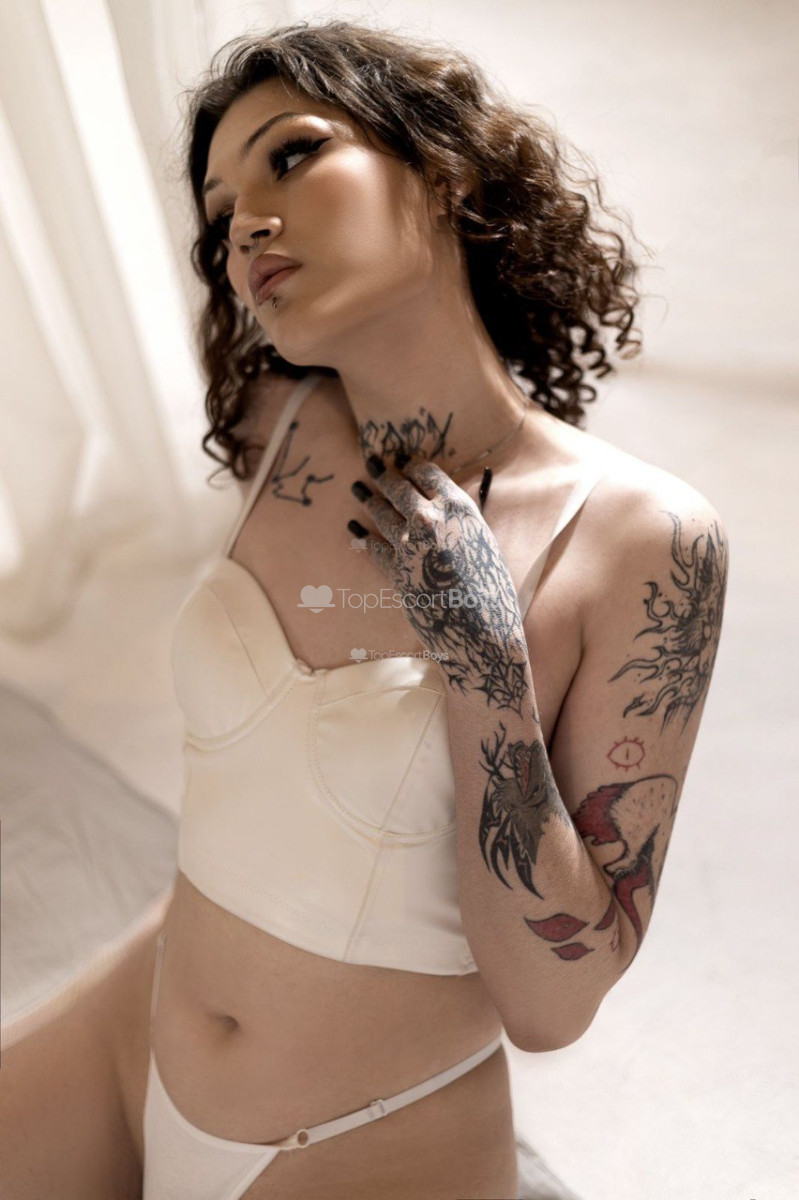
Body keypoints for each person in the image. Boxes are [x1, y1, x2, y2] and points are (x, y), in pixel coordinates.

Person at [0, 18, 729, 1200]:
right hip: (137, 1033)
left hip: (370, 1138)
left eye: (291, 155)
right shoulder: (274, 423)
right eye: (221, 211)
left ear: (443, 171)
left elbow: (554, 1006)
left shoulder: (644, 540)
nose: (245, 225)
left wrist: (486, 665)